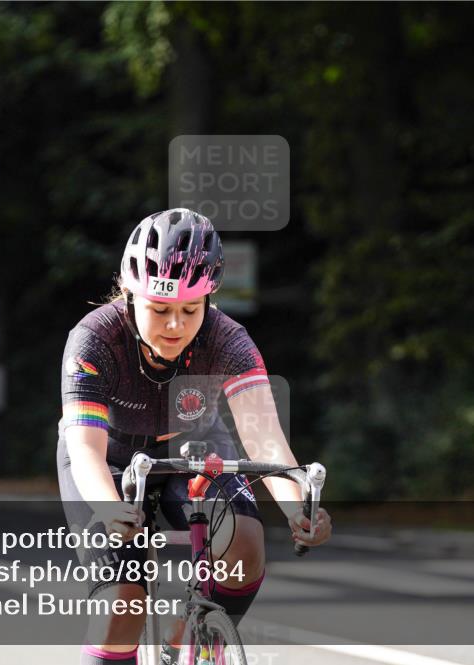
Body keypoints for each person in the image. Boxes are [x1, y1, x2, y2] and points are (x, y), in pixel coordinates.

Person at [57, 208, 332, 665]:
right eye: (159, 309)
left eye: (190, 309)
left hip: (193, 447)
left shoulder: (229, 340)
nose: (174, 325)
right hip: (111, 458)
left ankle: (192, 639)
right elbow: (86, 450)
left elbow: (265, 442)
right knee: (122, 605)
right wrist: (110, 509)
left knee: (244, 541)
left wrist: (298, 508)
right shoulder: (93, 339)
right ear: (129, 295)